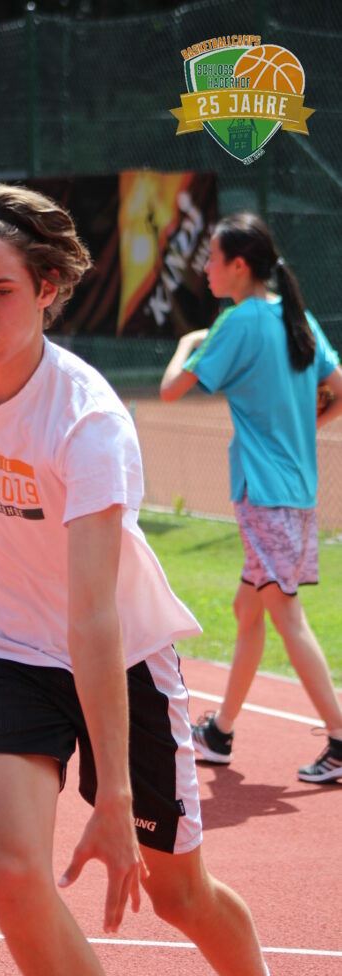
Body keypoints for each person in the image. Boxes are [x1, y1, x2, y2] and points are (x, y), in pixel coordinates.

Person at [0, 183, 303, 976]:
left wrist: (113, 795)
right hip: (3, 653)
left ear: (46, 287)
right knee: (9, 872)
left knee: (177, 894)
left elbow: (93, 614)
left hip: (117, 660)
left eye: (0, 291)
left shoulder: (88, 421)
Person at [160, 211, 342, 785]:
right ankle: (219, 733)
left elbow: (171, 390)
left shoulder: (236, 322)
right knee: (248, 611)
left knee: (286, 615)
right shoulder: (294, 316)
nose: (206, 269)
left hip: (264, 496)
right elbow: (338, 387)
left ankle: (340, 738)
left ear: (239, 265)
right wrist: (306, 428)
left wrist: (188, 341)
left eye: (212, 259)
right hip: (292, 493)